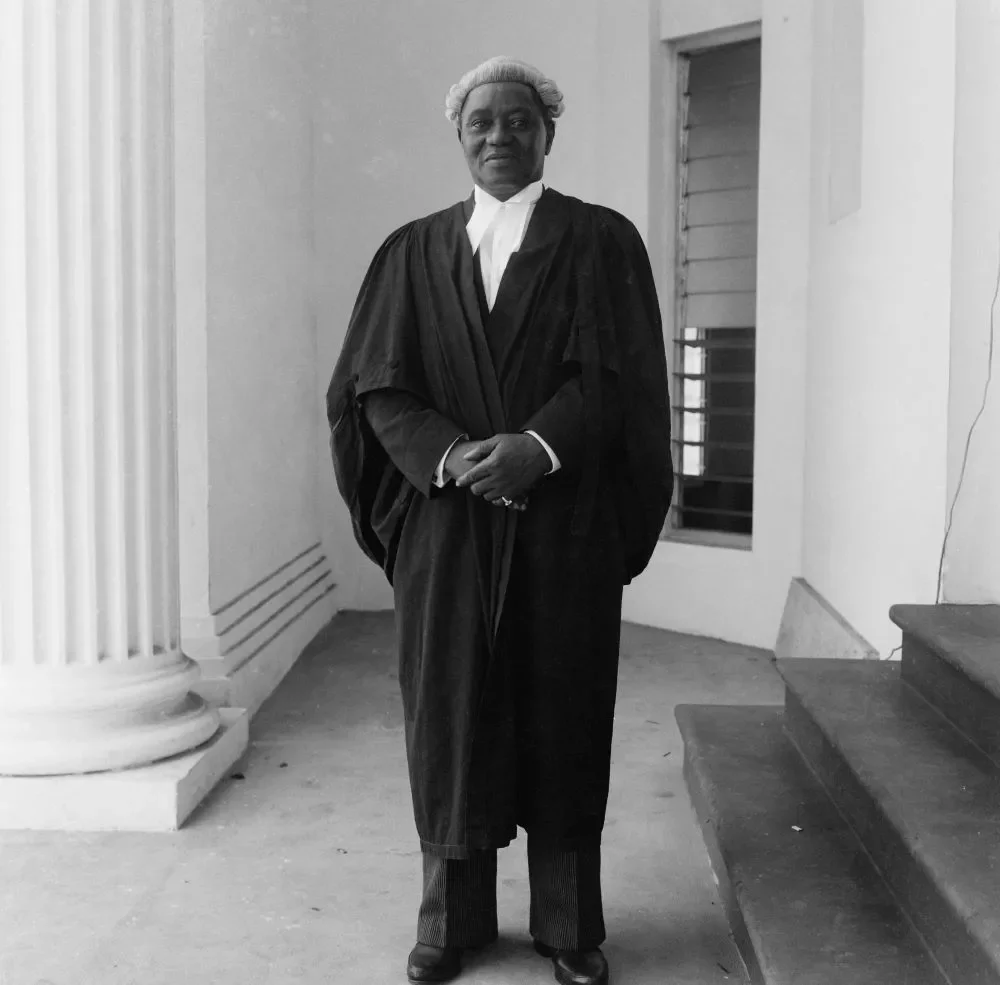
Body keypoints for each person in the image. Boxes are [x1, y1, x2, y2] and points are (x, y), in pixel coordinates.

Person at [327, 56, 673, 985]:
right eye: (481, 121)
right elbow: (376, 384)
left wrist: (538, 446)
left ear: (548, 133)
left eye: (519, 120)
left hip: (562, 527)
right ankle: (451, 922)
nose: (499, 136)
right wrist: (448, 457)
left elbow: (626, 380)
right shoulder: (409, 252)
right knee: (449, 718)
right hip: (446, 528)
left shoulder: (603, 242)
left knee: (563, 714)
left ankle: (568, 924)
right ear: (460, 135)